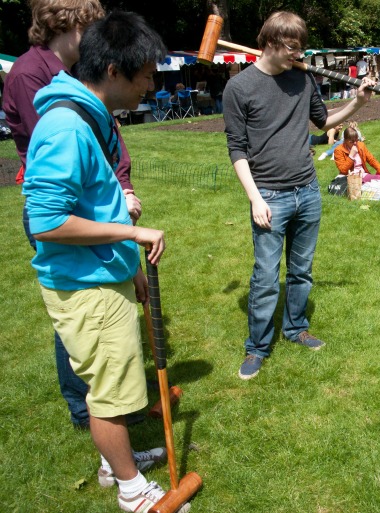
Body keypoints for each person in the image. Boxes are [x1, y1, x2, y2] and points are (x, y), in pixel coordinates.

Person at [21, 11, 189, 511]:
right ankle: (133, 492)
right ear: (114, 71)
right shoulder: (66, 127)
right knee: (111, 394)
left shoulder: (91, 117)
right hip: (83, 285)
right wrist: (133, 232)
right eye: (145, 77)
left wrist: (129, 267)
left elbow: (95, 204)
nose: (150, 86)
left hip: (103, 273)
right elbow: (46, 222)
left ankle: (115, 463)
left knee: (115, 386)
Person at [2, 0, 144, 431]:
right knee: (81, 315)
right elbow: (58, 168)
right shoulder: (36, 79)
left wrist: (122, 188)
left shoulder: (74, 80)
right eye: (94, 25)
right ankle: (91, 409)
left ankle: (113, 403)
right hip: (69, 215)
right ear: (72, 23)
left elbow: (104, 142)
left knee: (104, 327)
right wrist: (120, 223)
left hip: (94, 211)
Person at [224, 11, 377, 380]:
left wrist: (358, 102)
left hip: (307, 190)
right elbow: (237, 149)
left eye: (300, 48)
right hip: (269, 196)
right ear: (271, 44)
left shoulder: (302, 78)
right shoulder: (239, 88)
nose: (298, 54)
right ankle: (257, 347)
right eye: (292, 48)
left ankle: (295, 328)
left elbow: (322, 122)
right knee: (264, 277)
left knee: (301, 271)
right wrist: (255, 198)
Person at [332, 126, 380, 197]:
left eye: (356, 141)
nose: (355, 143)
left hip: (362, 174)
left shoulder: (361, 145)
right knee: (374, 182)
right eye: (352, 142)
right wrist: (351, 156)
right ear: (345, 140)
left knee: (377, 180)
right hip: (349, 177)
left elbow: (372, 160)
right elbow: (343, 170)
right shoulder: (338, 150)